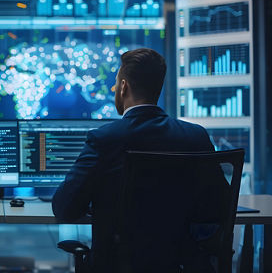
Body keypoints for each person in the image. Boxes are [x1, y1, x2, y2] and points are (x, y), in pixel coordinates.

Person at [52, 48, 229, 273]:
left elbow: (64, 207)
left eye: (117, 84)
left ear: (124, 86)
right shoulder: (195, 136)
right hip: (181, 264)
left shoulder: (105, 139)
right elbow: (220, 206)